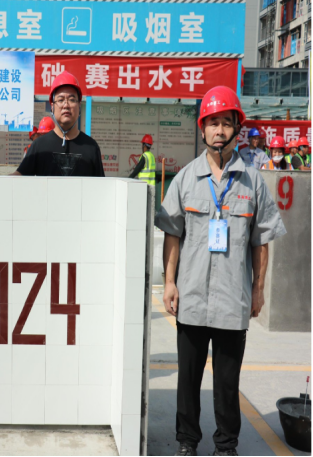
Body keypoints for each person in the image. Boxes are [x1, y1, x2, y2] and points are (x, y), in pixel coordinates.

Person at [155, 86, 286, 457]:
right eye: (212, 122)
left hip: (232, 298)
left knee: (228, 382)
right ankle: (187, 441)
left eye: (226, 122)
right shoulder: (185, 179)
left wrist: (258, 290)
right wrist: (169, 283)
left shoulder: (253, 182)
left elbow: (261, 241)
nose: (219, 130)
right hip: (192, 295)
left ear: (236, 129)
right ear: (202, 128)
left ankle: (226, 445)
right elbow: (172, 235)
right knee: (188, 378)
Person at [0, 71, 105, 177]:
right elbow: (19, 177)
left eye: (72, 100)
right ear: (52, 106)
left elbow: (101, 186)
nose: (66, 105)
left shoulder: (91, 147)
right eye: (61, 100)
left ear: (79, 106)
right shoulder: (39, 146)